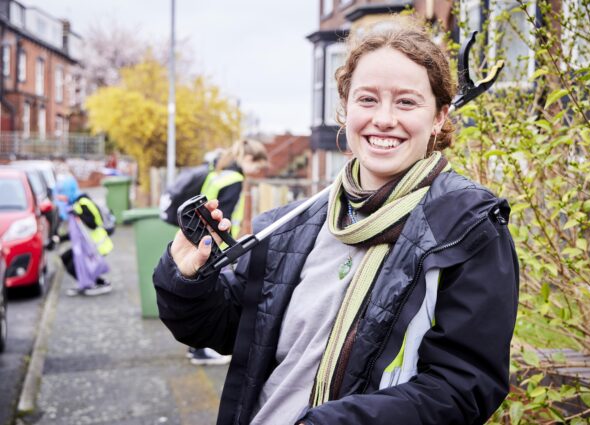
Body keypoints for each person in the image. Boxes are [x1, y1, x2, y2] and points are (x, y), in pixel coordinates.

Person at [153, 19, 519, 425]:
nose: (383, 118)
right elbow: (229, 333)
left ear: (439, 116)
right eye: (367, 99)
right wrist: (186, 281)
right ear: (346, 108)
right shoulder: (292, 226)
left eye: (407, 102)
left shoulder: (468, 228)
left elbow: (464, 387)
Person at [186, 139, 268, 365]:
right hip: (214, 246)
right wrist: (232, 246)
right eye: (257, 167)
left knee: (198, 293)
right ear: (249, 159)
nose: (256, 172)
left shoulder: (219, 173)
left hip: (198, 239)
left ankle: (195, 347)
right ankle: (202, 349)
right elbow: (223, 216)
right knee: (211, 298)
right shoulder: (235, 179)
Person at [55, 174, 114, 296]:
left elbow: (93, 223)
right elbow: (77, 231)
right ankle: (86, 282)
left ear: (69, 191)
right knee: (66, 257)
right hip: (87, 245)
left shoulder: (83, 203)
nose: (61, 197)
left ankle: (99, 283)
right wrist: (60, 238)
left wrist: (78, 214)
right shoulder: (76, 203)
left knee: (74, 263)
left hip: (96, 246)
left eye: (63, 193)